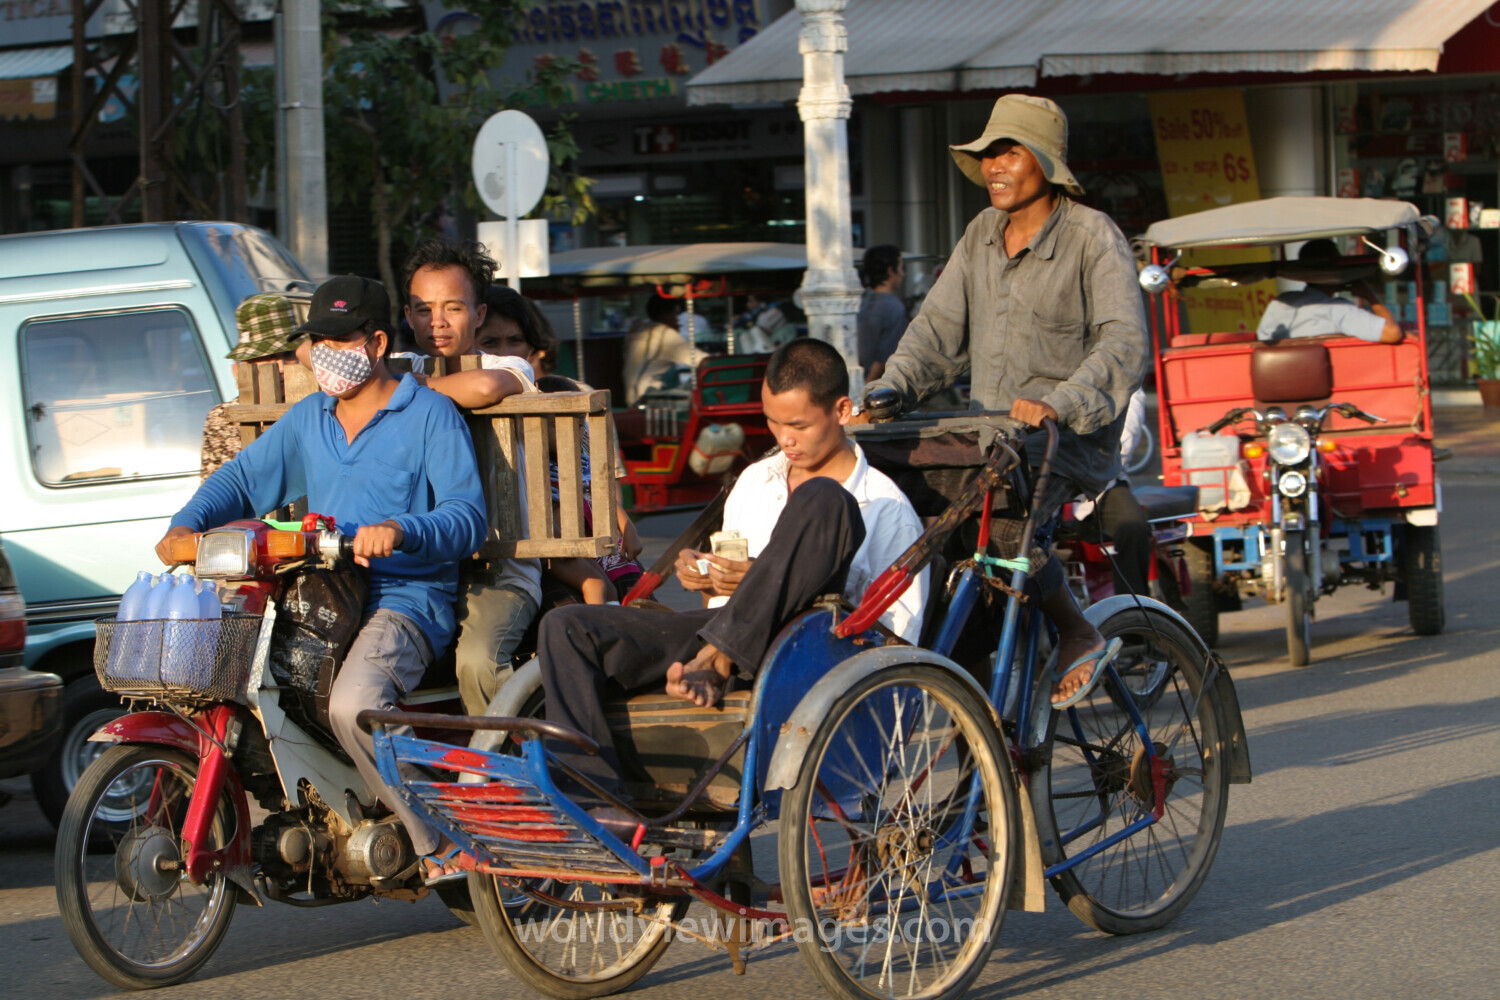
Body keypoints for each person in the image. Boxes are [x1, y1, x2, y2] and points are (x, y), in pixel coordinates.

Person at [155, 274, 488, 886]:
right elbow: (239, 480)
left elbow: (467, 517)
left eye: (342, 337)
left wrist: (403, 529)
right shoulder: (310, 417)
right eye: (319, 339)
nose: (326, 351)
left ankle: (439, 843)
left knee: (354, 705)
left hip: (405, 600)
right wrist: (184, 526)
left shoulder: (429, 415)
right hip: (318, 597)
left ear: (378, 341)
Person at [536, 338, 927, 829]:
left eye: (799, 425)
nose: (785, 439)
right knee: (567, 626)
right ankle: (592, 798)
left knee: (824, 500)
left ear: (842, 411)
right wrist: (705, 575)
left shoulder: (885, 506)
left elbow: (897, 641)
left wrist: (776, 579)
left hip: (810, 659)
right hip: (722, 635)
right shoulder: (756, 479)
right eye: (773, 423)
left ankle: (716, 660)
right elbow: (713, 603)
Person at [861, 94, 1148, 708]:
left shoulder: (1092, 235)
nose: (994, 166)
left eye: (1009, 153)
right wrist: (887, 391)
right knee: (894, 488)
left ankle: (1078, 630)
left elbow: (1123, 344)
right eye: (988, 153)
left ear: (1044, 163)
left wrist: (1061, 403)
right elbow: (936, 333)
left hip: (1065, 443)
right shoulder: (980, 236)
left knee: (995, 506)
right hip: (988, 438)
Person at [398, 239, 544, 726]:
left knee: (478, 662)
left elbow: (481, 389)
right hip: (418, 564)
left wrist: (393, 393)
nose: (436, 322)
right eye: (423, 309)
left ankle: (514, 772)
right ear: (407, 313)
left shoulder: (507, 365)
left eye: (452, 308)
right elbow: (312, 352)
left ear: (479, 315)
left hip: (500, 566)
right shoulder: (403, 365)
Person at [534, 374, 645, 604]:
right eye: (557, 423)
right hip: (561, 547)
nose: (571, 430)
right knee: (596, 586)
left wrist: (628, 529)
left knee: (617, 587)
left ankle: (613, 626)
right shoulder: (536, 466)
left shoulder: (582, 459)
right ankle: (596, 631)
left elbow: (600, 495)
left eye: (577, 422)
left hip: (592, 539)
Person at [200, 293, 305, 479]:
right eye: (266, 358)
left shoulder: (329, 406)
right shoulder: (222, 419)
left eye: (288, 355)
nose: (280, 367)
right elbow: (214, 490)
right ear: (241, 367)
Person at [1256, 238, 1404, 343]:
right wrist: (1370, 296)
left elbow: (1262, 338)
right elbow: (1392, 333)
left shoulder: (1281, 302)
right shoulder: (1339, 309)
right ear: (1333, 270)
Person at [623, 295, 704, 404]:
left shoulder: (638, 329)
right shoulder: (664, 334)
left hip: (631, 398)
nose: (677, 320)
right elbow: (702, 360)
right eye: (675, 314)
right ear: (665, 314)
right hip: (648, 399)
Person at [476, 284, 559, 375]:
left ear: (530, 346)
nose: (505, 354)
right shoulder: (458, 386)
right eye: (490, 343)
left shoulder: (559, 388)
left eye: (515, 341)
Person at [856, 244, 906, 382]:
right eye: (901, 268)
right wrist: (866, 392)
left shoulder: (859, 304)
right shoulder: (894, 307)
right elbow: (885, 359)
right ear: (891, 271)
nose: (903, 274)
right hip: (876, 388)